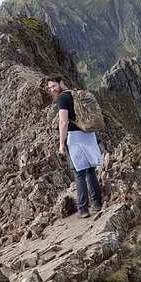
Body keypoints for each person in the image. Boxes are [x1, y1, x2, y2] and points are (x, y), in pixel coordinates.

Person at [45, 73, 103, 218]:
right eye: (50, 87)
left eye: (53, 86)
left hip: (75, 138)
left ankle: (83, 209)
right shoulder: (75, 94)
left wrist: (61, 144)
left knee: (79, 174)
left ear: (60, 83)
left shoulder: (62, 99)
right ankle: (97, 204)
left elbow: (63, 122)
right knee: (91, 170)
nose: (52, 89)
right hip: (88, 135)